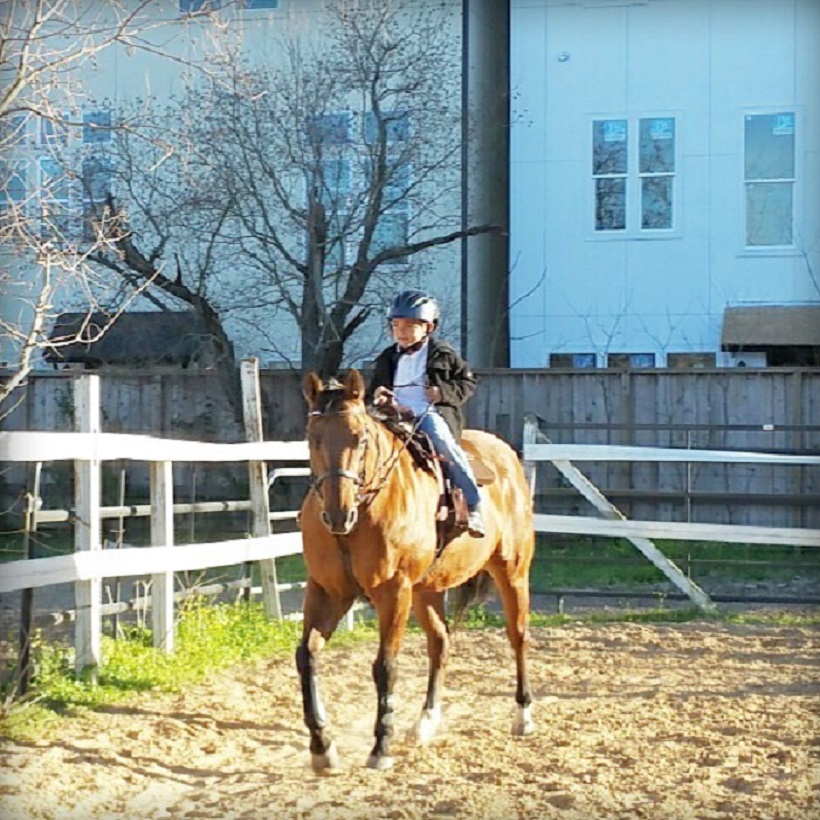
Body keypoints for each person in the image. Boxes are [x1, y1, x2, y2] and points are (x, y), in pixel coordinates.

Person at [368, 289, 485, 538]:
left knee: (444, 443)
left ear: (428, 327)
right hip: (391, 415)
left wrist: (442, 392)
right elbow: (373, 391)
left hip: (427, 412)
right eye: (396, 324)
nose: (401, 331)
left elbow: (467, 383)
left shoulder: (443, 353)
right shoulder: (386, 358)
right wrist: (378, 396)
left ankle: (474, 505)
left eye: (410, 325)